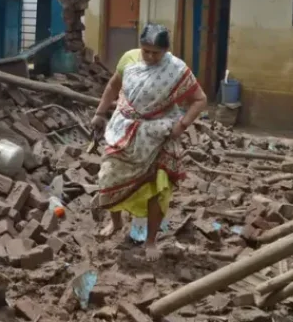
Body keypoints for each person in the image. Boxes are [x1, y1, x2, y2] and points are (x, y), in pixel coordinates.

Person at [89, 23, 208, 261]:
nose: (151, 57)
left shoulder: (176, 70)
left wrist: (182, 125)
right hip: (124, 130)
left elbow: (200, 99)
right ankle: (116, 222)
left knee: (157, 187)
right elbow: (114, 85)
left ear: (166, 51)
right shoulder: (129, 60)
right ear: (140, 46)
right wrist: (100, 113)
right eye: (146, 51)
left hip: (159, 134)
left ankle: (151, 240)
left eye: (156, 52)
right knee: (108, 177)